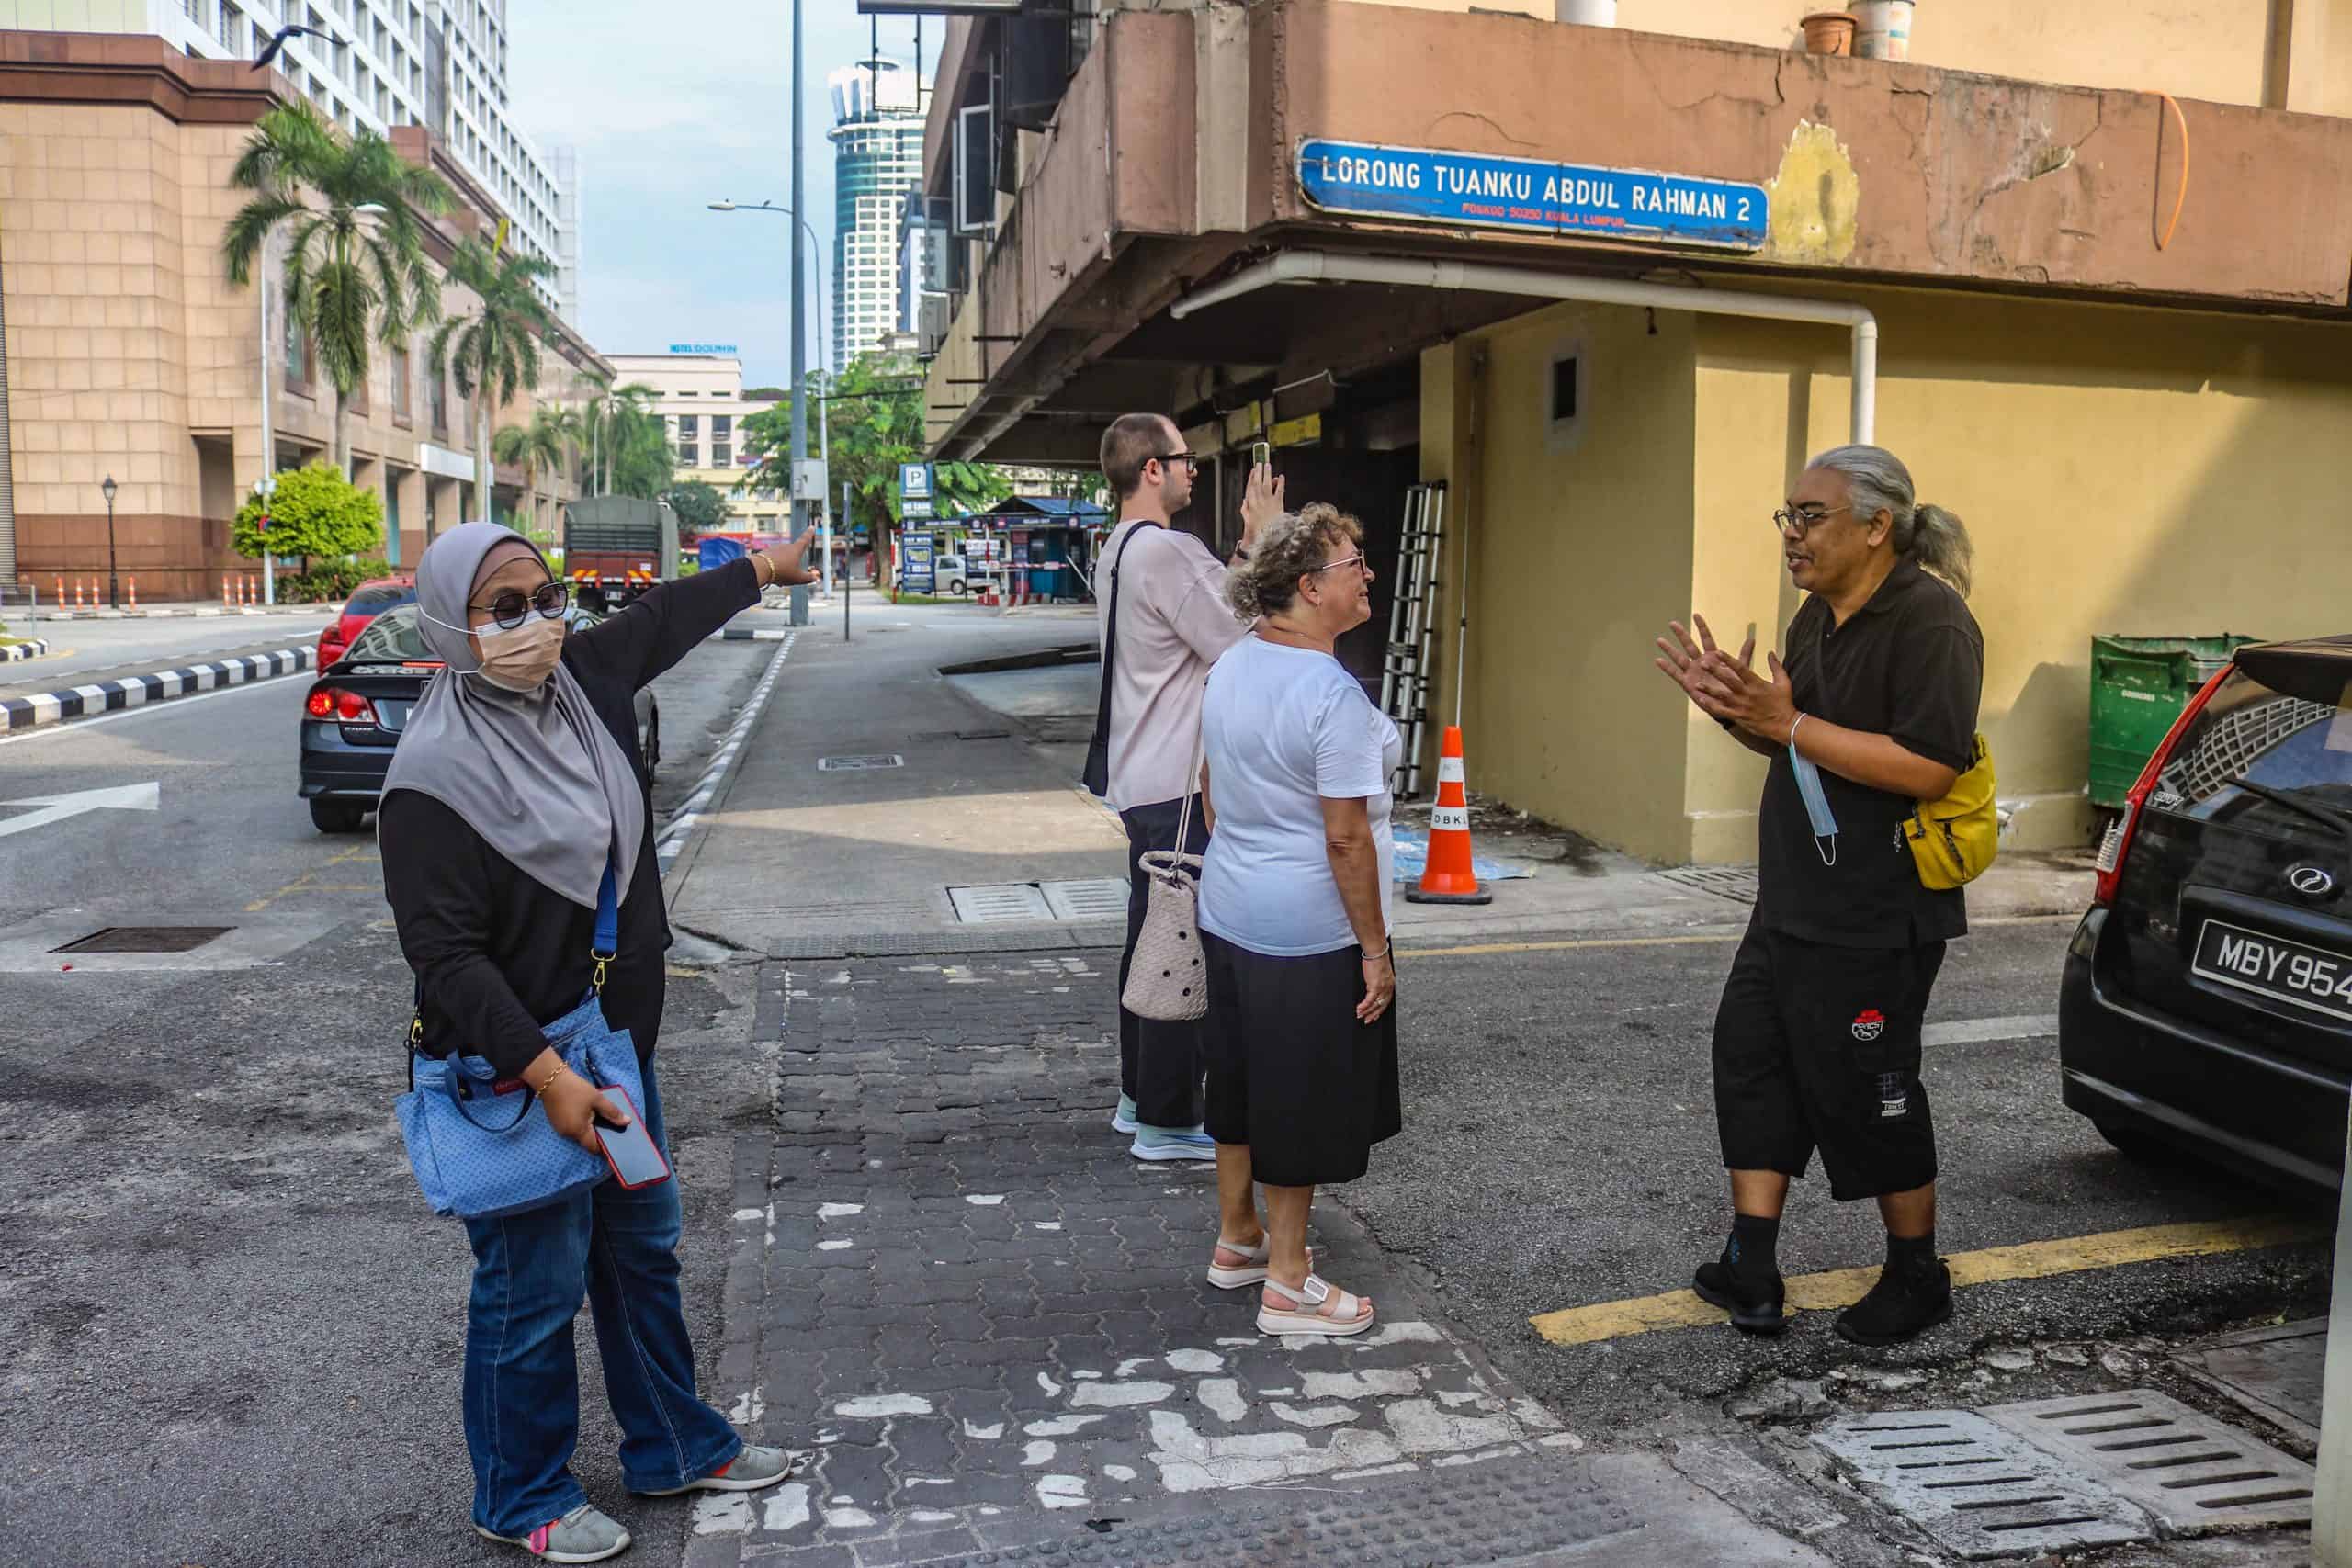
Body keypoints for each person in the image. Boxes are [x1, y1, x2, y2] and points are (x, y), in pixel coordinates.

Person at [380, 521, 819, 1562]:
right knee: (530, 1291)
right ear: (452, 625)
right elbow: (447, 960)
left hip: (613, 1042)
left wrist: (761, 568)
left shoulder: (579, 681)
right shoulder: (431, 782)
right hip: (516, 1067)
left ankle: (673, 1444)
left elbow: (660, 616)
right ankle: (520, 1493)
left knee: (638, 1256)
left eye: (546, 596)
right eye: (504, 610)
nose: (536, 624)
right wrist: (547, 1076)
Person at [1655, 445, 1983, 1347]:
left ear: (1876, 527)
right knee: (1752, 1062)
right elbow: (1799, 745)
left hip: (1877, 914)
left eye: (1811, 516)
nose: (1791, 535)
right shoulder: (1816, 616)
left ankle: (1917, 1275)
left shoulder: (1931, 624)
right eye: (1786, 516)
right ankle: (1749, 1266)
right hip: (1791, 900)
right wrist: (1741, 711)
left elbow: (1927, 764)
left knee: (1867, 1088)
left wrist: (1786, 720)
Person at [1196, 504, 1402, 1338]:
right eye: (1356, 562)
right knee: (1298, 1097)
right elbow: (1346, 837)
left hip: (1232, 906)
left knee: (1242, 1083)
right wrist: (1375, 948)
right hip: (1307, 927)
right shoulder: (1330, 692)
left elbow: (1211, 792)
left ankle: (1238, 1239)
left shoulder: (1232, 665)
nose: (1368, 576)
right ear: (1313, 587)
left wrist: (1252, 854)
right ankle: (1289, 1279)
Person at [1091, 412, 1273, 1160]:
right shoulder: (1168, 548)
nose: (1194, 468)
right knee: (1178, 944)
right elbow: (1247, 631)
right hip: (1179, 778)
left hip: (1141, 773)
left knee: (1150, 933)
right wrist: (1264, 541)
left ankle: (1141, 1097)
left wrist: (1240, 552)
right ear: (1151, 470)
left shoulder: (1119, 548)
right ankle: (1168, 1119)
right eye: (1183, 457)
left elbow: (1208, 605)